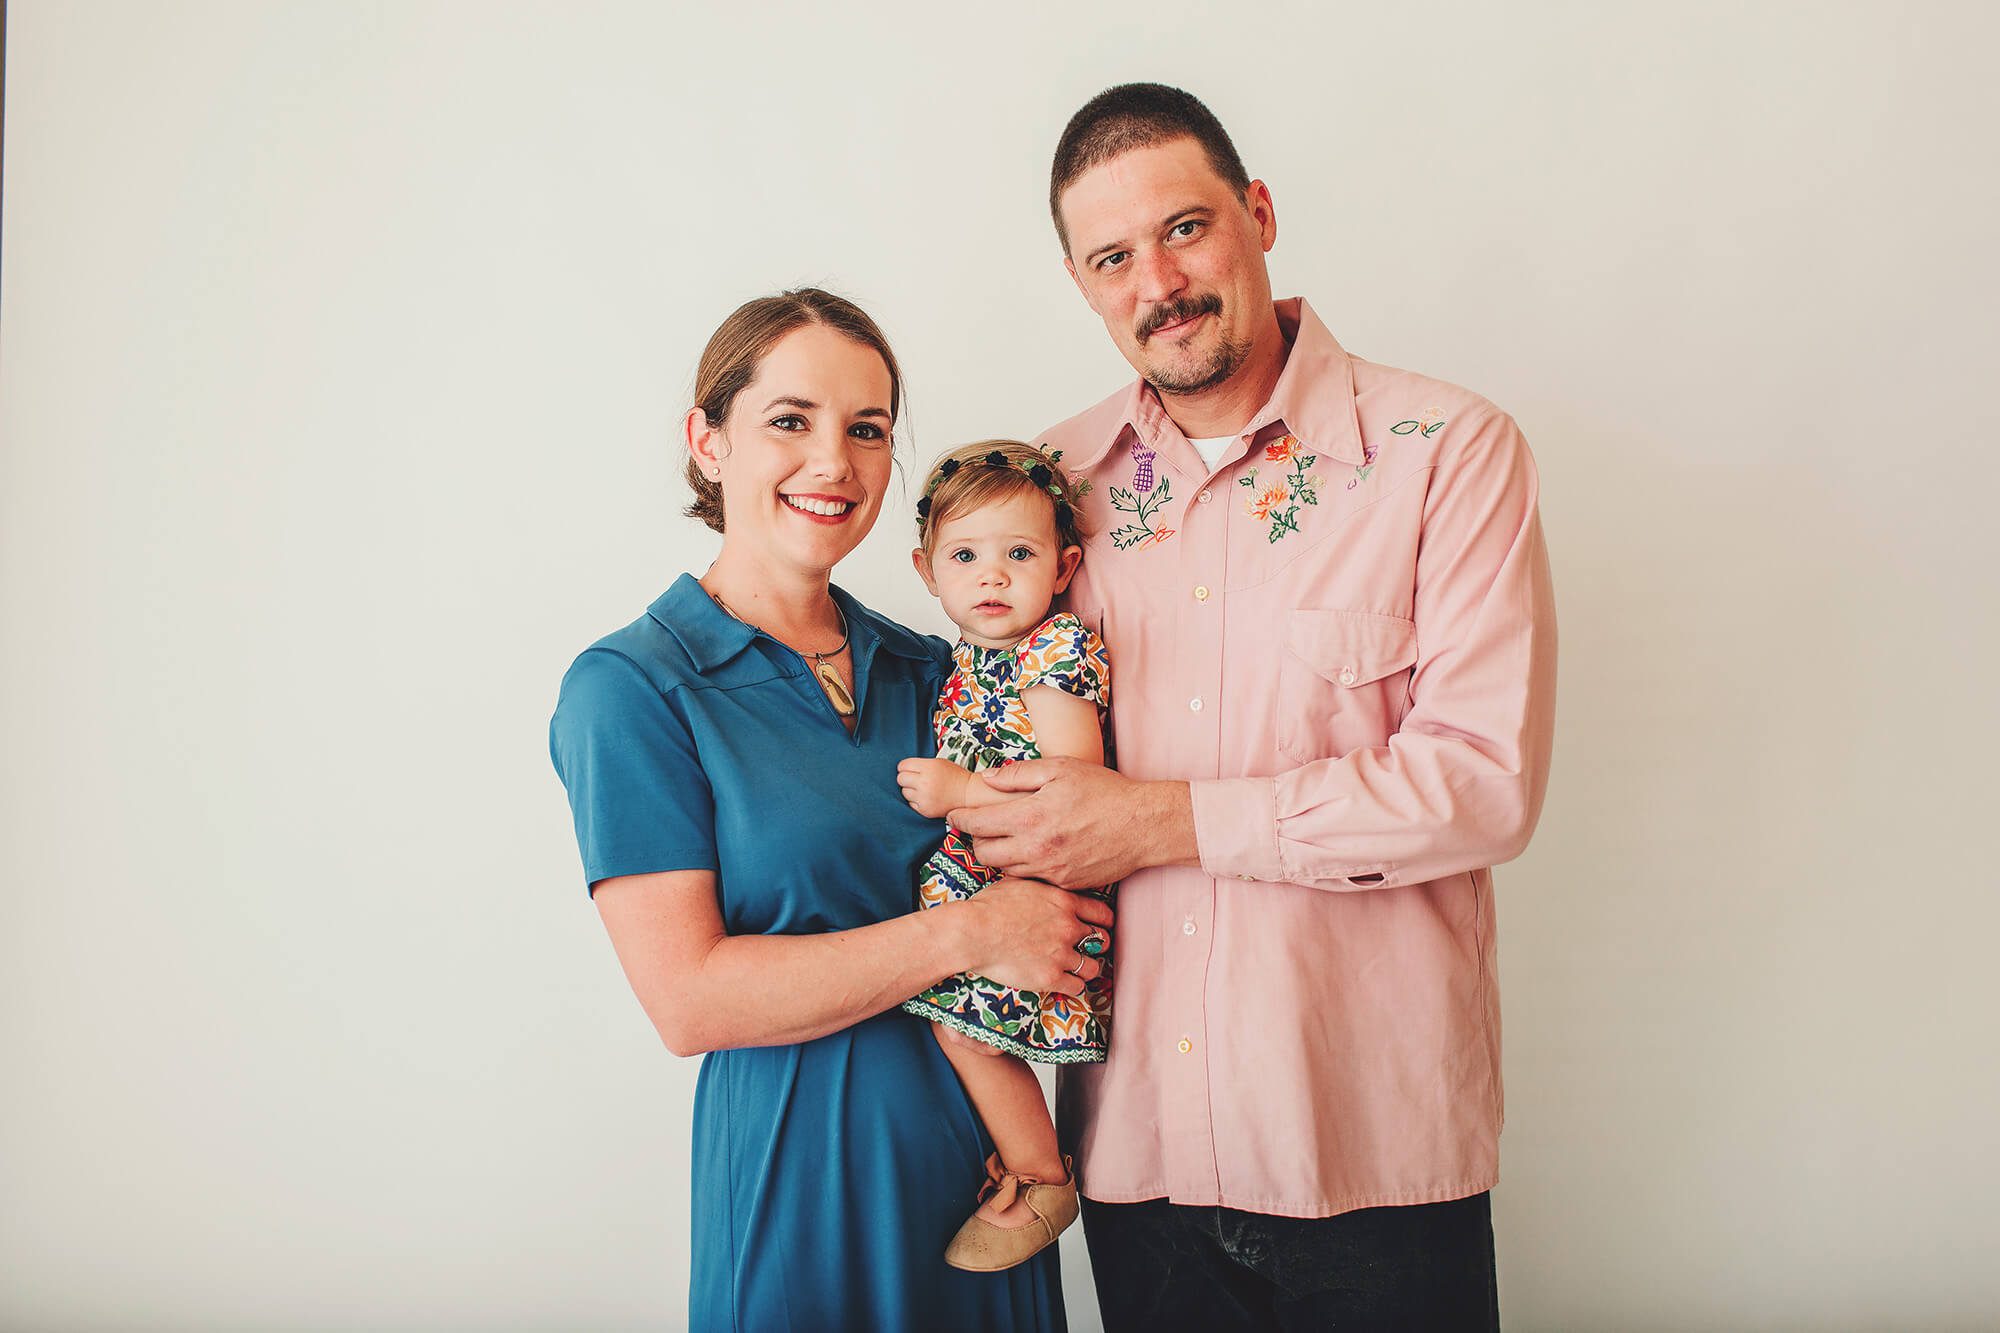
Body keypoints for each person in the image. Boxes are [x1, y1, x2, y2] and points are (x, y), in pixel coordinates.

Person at [948, 84, 1558, 1330]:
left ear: (1258, 213)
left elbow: (1482, 784)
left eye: (1183, 229)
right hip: (1135, 1159)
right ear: (1079, 282)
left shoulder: (1447, 449)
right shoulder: (1046, 498)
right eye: (1112, 257)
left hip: (1371, 1158)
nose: (1156, 282)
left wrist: (1159, 822)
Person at [548, 289, 1108, 1332]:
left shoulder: (933, 665)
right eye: (789, 421)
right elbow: (690, 1001)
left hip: (981, 1178)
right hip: (798, 1176)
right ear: (706, 442)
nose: (834, 463)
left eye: (866, 429)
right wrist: (975, 932)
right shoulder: (631, 687)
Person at [892, 440, 1113, 1272]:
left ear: (1063, 566)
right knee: (966, 1034)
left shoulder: (1053, 652)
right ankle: (1024, 1158)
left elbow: (1076, 791)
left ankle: (1041, 1175)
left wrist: (961, 795)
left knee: (975, 1039)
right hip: (986, 883)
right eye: (966, 555)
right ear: (926, 569)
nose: (991, 577)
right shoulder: (964, 662)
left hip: (1040, 882)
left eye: (1018, 554)